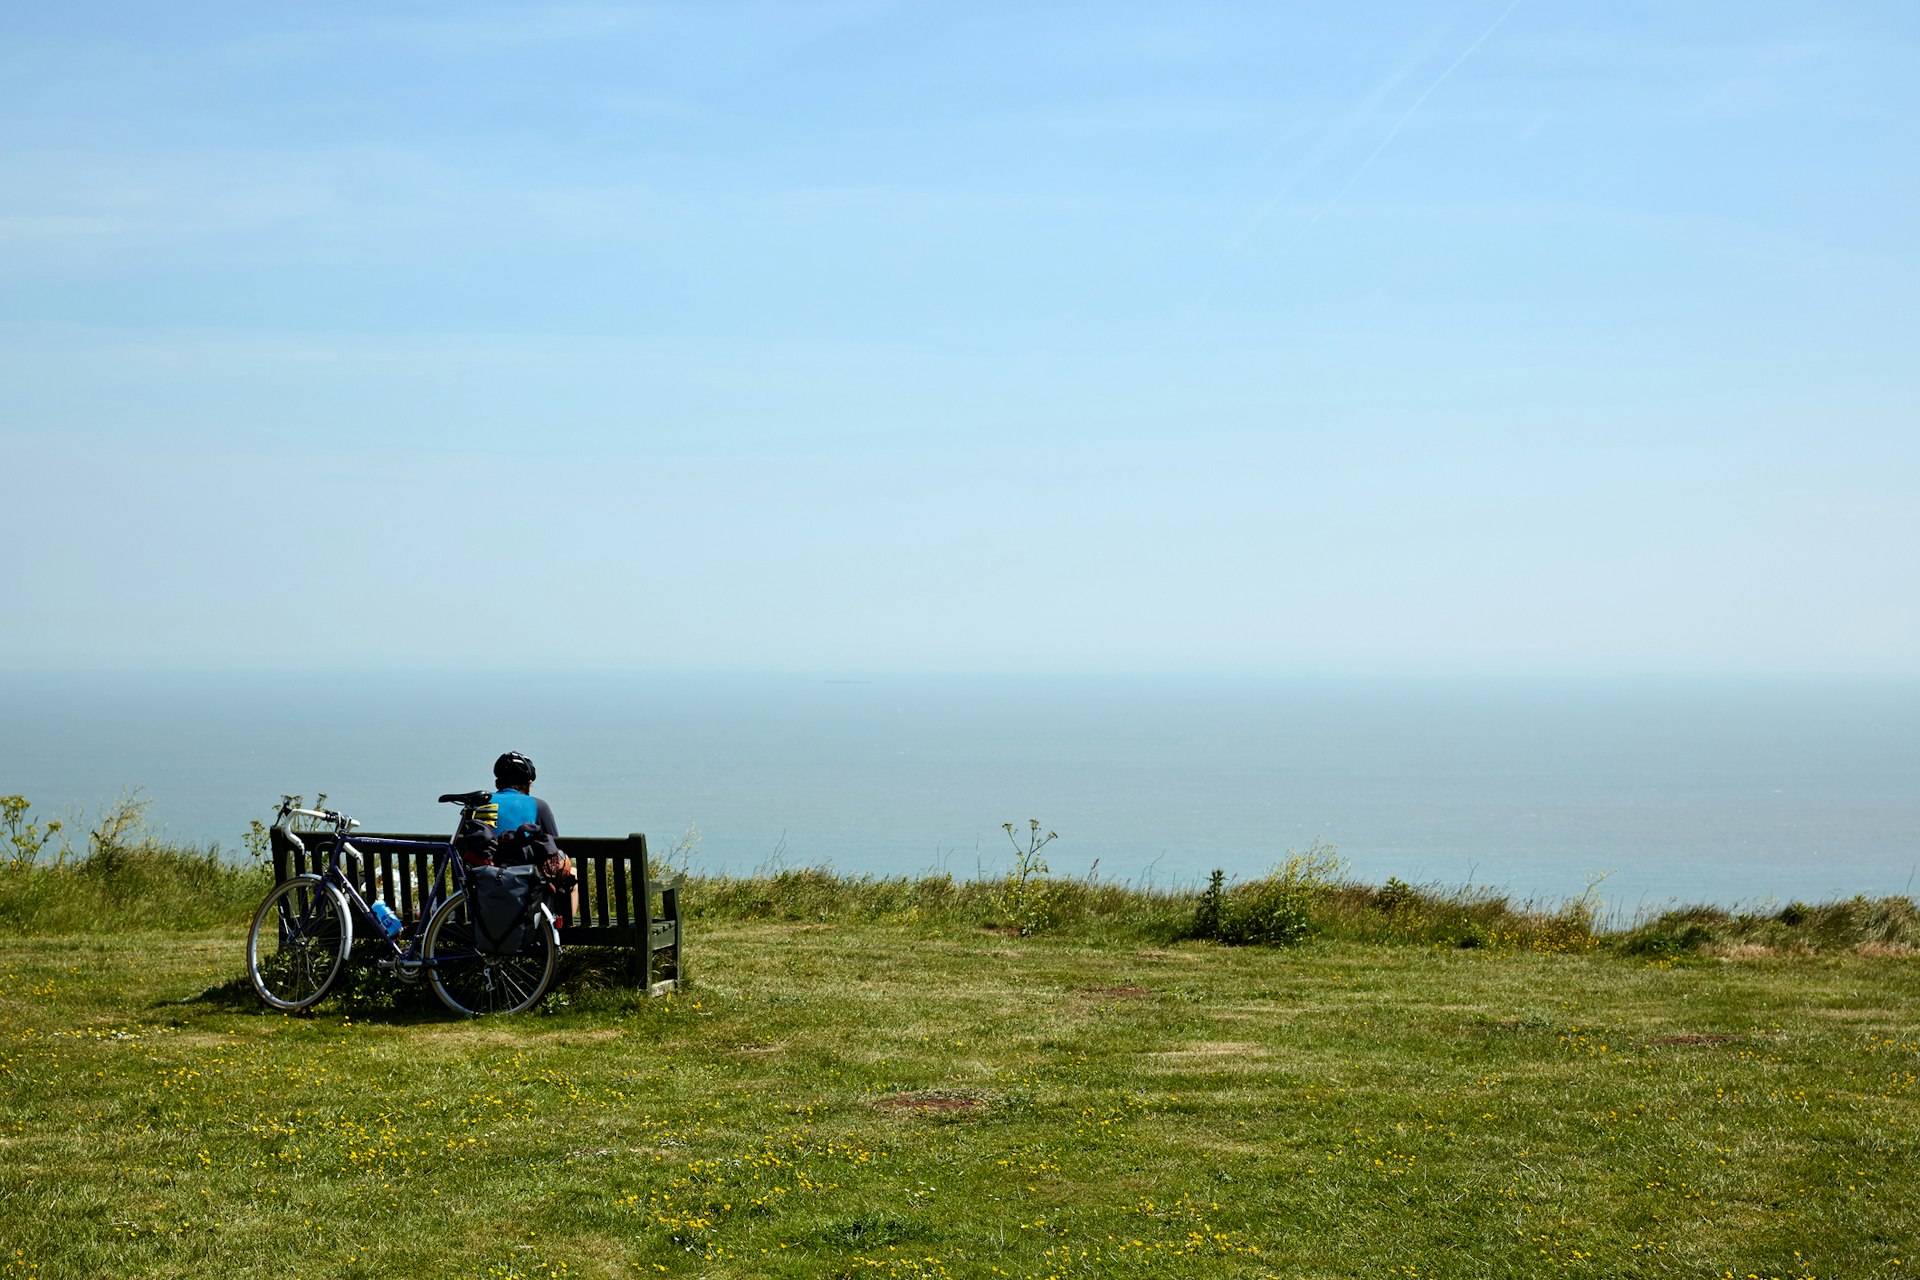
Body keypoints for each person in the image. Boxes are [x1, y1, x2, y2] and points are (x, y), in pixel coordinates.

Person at [482, 751, 559, 839]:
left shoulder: (480, 802)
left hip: (485, 852)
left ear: (497, 782)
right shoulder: (539, 806)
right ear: (528, 784)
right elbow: (554, 845)